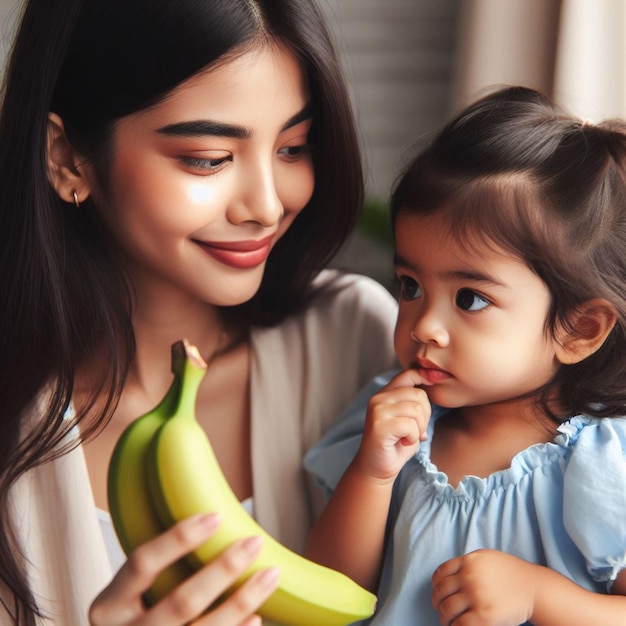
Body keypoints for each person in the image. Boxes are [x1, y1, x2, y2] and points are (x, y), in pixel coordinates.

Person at [0, 1, 400, 624]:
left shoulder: (356, 338)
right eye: (208, 158)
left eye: (294, 147)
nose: (266, 206)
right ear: (67, 157)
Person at [304, 85, 626, 626]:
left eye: (470, 299)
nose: (424, 325)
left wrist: (538, 596)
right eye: (409, 286)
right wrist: (373, 473)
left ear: (579, 328)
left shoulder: (602, 459)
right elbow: (328, 596)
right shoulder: (397, 425)